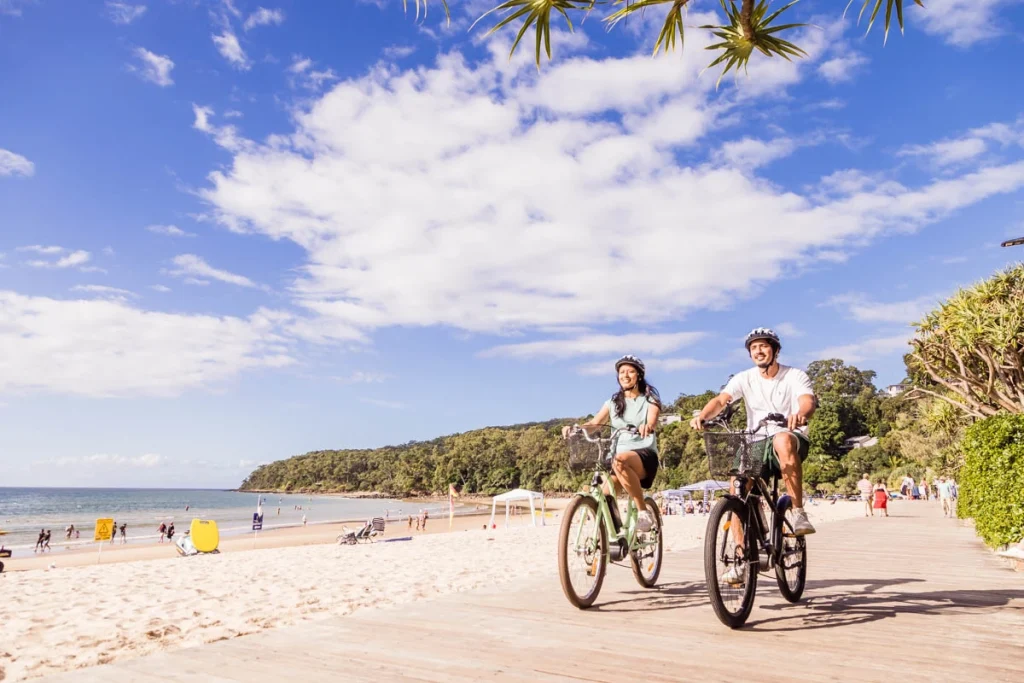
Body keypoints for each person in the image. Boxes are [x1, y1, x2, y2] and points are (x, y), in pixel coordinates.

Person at [690, 328, 817, 536]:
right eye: (754, 348)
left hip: (790, 436)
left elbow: (807, 401)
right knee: (737, 489)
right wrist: (703, 416)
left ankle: (799, 512)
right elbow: (721, 400)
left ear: (775, 351)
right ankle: (740, 556)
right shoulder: (744, 378)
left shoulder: (794, 375)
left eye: (764, 346)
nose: (758, 351)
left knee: (782, 439)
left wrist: (801, 414)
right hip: (756, 439)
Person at [562, 354, 662, 532]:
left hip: (643, 454)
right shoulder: (612, 403)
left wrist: (647, 426)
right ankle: (616, 536)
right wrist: (576, 428)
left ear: (638, 375)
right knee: (602, 495)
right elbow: (594, 424)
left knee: (620, 460)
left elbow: (652, 420)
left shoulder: (649, 401)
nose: (625, 375)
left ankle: (643, 511)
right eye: (622, 372)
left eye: (630, 371)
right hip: (616, 458)